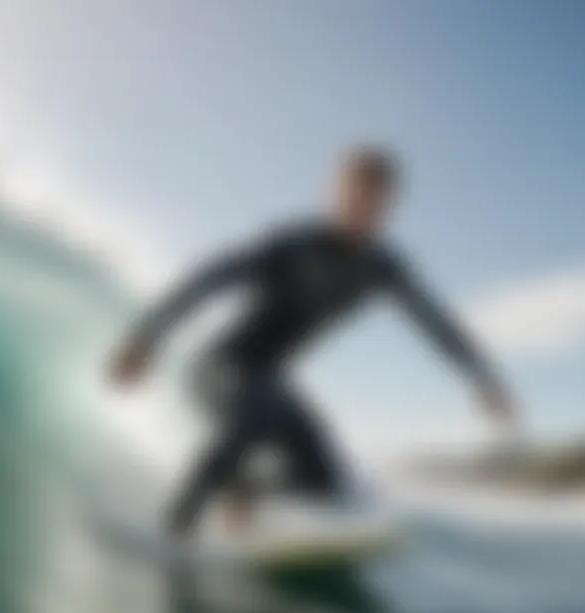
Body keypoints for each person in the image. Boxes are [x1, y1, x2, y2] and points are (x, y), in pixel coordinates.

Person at [108, 146, 516, 537]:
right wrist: (145, 338)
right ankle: (175, 529)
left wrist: (480, 376)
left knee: (324, 483)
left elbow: (434, 321)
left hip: (269, 380)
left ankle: (246, 493)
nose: (365, 212)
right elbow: (211, 277)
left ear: (388, 207)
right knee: (259, 408)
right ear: (336, 194)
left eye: (377, 204)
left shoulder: (383, 267)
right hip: (220, 370)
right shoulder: (292, 245)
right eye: (357, 197)